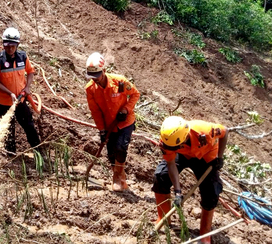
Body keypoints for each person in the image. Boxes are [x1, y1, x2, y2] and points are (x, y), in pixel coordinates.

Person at [153, 116, 228, 243]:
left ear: (184, 139)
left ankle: (205, 233)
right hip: (183, 154)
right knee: (161, 177)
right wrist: (178, 192)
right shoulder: (167, 141)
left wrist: (219, 158)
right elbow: (171, 164)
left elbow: (225, 131)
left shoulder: (205, 131)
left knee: (212, 190)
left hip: (205, 156)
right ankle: (163, 218)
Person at [85, 52, 140, 191]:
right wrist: (102, 130)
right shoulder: (90, 89)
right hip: (108, 124)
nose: (95, 80)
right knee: (111, 153)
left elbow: (135, 94)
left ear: (103, 71)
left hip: (125, 122)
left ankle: (117, 178)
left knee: (121, 148)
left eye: (97, 75)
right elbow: (95, 112)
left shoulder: (120, 82)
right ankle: (121, 177)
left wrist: (126, 109)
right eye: (93, 77)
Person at [0, 27, 41, 154]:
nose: (10, 48)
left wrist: (27, 87)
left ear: (17, 44)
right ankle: (11, 156)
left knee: (29, 126)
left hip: (20, 101)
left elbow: (30, 72)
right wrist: (10, 93)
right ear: (3, 44)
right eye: (7, 45)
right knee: (8, 131)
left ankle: (39, 152)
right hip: (3, 103)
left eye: (13, 46)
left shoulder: (23, 57)